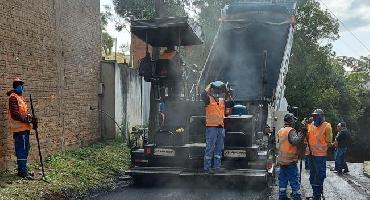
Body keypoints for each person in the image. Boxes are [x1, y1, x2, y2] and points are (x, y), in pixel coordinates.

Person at [6, 78, 36, 179]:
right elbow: (15, 115)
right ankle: (23, 173)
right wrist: (28, 120)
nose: (21, 87)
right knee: (22, 150)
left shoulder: (20, 97)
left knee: (26, 149)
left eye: (22, 85)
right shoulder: (13, 98)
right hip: (19, 129)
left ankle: (23, 170)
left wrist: (31, 119)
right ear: (16, 86)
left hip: (25, 128)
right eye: (20, 85)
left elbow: (24, 113)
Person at [201, 81, 233, 173]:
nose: (215, 93)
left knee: (219, 148)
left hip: (220, 127)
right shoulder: (208, 100)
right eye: (213, 91)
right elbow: (203, 95)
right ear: (211, 91)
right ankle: (207, 168)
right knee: (210, 147)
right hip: (211, 127)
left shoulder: (222, 101)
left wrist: (227, 92)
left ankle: (217, 167)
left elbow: (232, 104)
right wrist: (209, 86)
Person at [307, 109, 333, 200]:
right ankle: (316, 193)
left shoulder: (327, 126)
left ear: (321, 117)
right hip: (311, 155)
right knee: (312, 175)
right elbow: (307, 139)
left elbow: (329, 142)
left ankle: (317, 194)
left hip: (320, 156)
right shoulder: (310, 125)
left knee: (319, 175)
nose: (314, 118)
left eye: (316, 116)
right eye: (314, 116)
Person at [277, 113, 302, 200]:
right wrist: (301, 135)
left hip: (282, 160)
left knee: (283, 179)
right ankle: (297, 197)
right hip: (290, 161)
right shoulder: (291, 131)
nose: (294, 121)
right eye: (293, 120)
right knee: (294, 180)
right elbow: (295, 141)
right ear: (291, 121)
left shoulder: (280, 130)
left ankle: (282, 196)